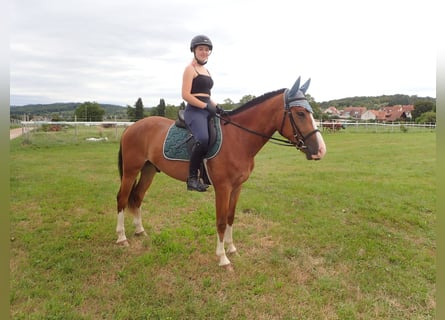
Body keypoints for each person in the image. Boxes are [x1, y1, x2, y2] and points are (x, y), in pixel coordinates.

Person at [182, 35, 220, 192]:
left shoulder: (206, 71)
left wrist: (218, 106)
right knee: (203, 139)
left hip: (206, 107)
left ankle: (208, 172)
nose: (204, 52)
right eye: (200, 49)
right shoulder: (190, 69)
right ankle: (192, 178)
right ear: (194, 51)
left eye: (206, 49)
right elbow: (186, 95)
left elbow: (207, 95)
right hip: (194, 110)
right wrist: (205, 106)